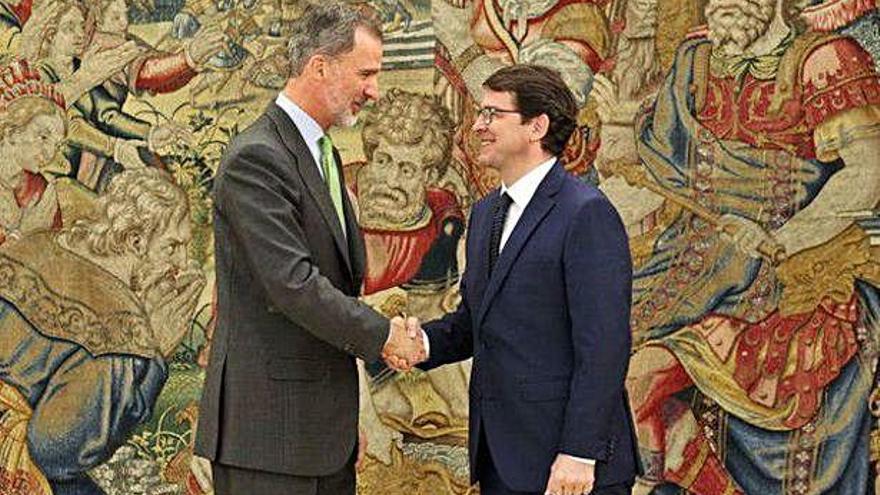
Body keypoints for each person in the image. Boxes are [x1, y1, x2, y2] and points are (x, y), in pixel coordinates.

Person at [618, 0, 880, 493]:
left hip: (789, 273)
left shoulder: (824, 60)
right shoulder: (695, 60)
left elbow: (867, 175)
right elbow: (655, 177)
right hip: (689, 262)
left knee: (638, 379)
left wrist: (781, 239)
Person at [193, 3, 423, 494]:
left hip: (317, 437)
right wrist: (386, 335)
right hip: (268, 444)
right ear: (320, 65)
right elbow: (293, 285)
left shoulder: (324, 153)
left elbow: (337, 281)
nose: (374, 91)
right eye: (366, 73)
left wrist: (337, 420)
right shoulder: (256, 158)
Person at [392, 64, 641, 495]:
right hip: (501, 460)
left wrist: (579, 453)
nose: (477, 125)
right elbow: (478, 323)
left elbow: (604, 346)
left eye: (492, 114)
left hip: (568, 469)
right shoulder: (487, 214)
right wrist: (423, 344)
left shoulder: (586, 213)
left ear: (536, 126)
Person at [0, 167, 205, 495]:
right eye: (172, 247)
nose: (181, 262)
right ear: (136, 241)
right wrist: (155, 355)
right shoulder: (119, 327)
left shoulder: (36, 245)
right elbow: (57, 451)